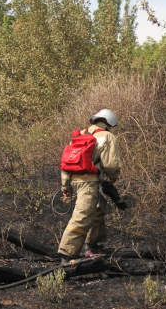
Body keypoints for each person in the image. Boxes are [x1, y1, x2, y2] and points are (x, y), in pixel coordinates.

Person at [57, 109, 121, 263]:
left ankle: (92, 247)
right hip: (90, 182)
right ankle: (66, 254)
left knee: (98, 211)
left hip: (75, 180)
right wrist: (112, 179)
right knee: (82, 216)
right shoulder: (107, 136)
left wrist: (66, 187)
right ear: (108, 123)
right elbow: (111, 165)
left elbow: (66, 163)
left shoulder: (78, 136)